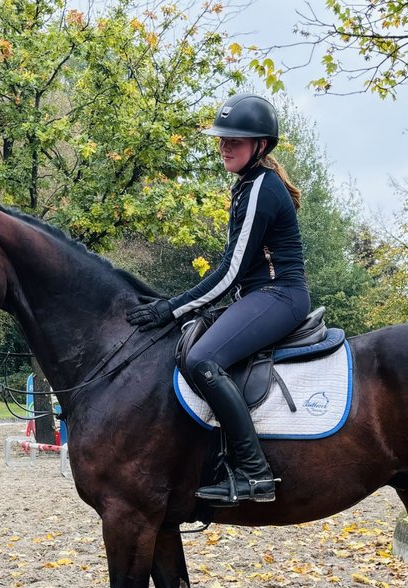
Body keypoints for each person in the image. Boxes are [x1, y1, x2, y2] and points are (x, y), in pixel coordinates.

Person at [127, 93, 310, 505]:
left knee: (202, 359)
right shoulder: (247, 184)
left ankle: (255, 473)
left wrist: (169, 308)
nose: (225, 145)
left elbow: (228, 273)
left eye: (236, 140)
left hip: (280, 295)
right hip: (259, 295)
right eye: (222, 139)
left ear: (261, 145)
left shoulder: (262, 187)